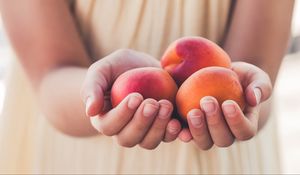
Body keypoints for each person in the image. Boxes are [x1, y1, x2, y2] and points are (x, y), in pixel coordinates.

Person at [0, 0, 294, 174]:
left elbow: (256, 72)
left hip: (221, 161)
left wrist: (247, 99)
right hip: (76, 160)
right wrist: (103, 97)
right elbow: (50, 73)